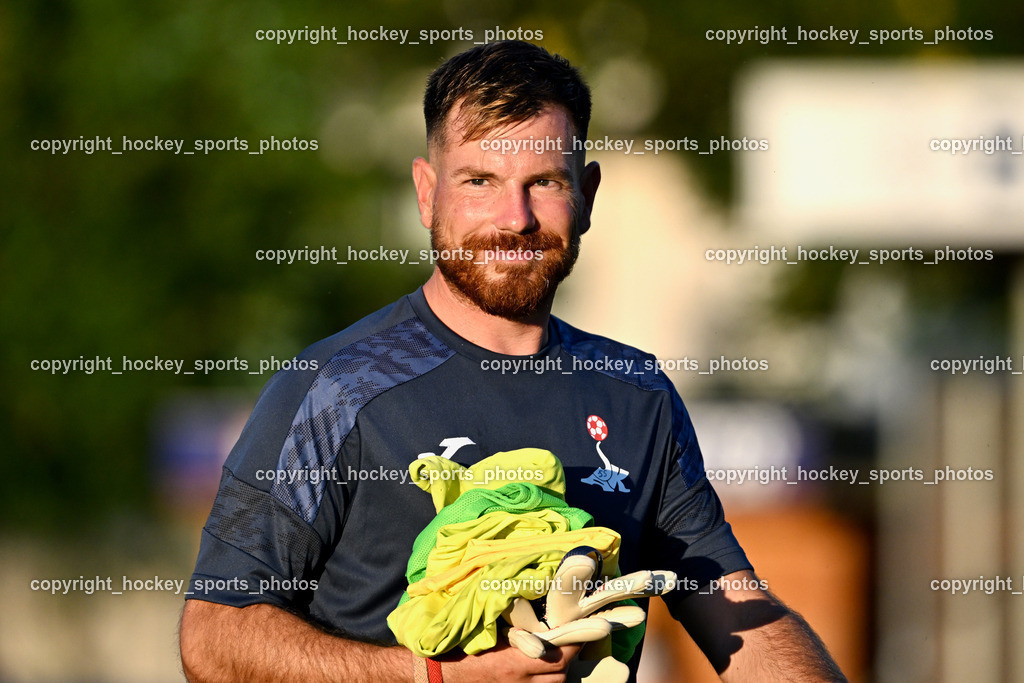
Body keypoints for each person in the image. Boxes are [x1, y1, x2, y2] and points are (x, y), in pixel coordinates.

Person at [179, 40, 846, 683]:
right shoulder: (334, 389)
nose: (515, 217)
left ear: (587, 194)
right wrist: (436, 675)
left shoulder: (638, 396)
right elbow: (214, 636)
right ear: (426, 192)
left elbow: (744, 621)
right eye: (480, 181)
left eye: (545, 182)